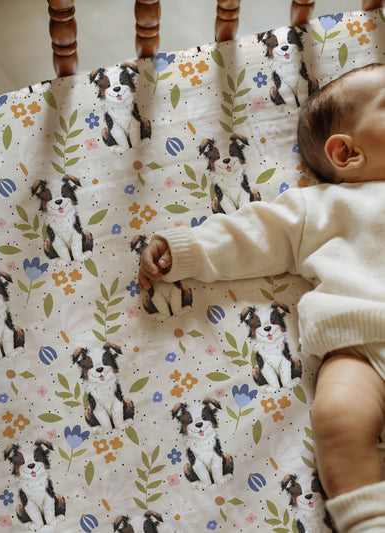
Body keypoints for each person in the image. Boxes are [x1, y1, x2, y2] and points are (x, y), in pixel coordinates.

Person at [139, 63, 385, 533]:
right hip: (361, 344)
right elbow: (253, 234)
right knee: (337, 416)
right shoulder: (321, 209)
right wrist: (185, 251)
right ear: (347, 153)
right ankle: (368, 522)